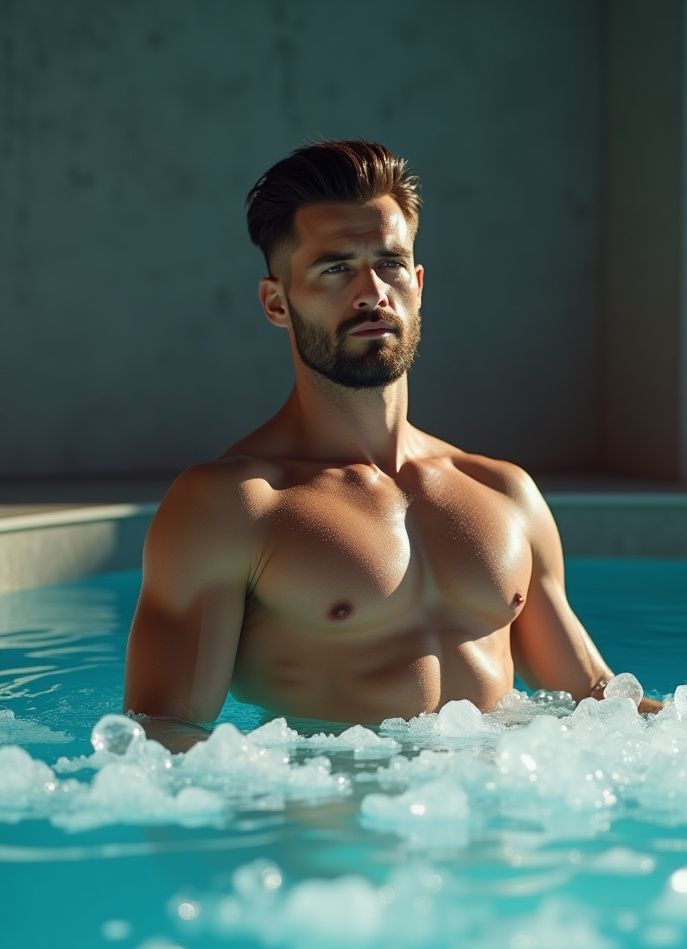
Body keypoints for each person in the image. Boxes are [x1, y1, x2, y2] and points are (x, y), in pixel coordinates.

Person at [123, 139, 657, 741]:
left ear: (418, 284)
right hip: (342, 800)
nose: (372, 292)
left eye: (391, 264)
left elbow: (598, 702)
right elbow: (161, 734)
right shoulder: (233, 505)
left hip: (504, 797)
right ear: (277, 303)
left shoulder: (505, 492)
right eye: (335, 268)